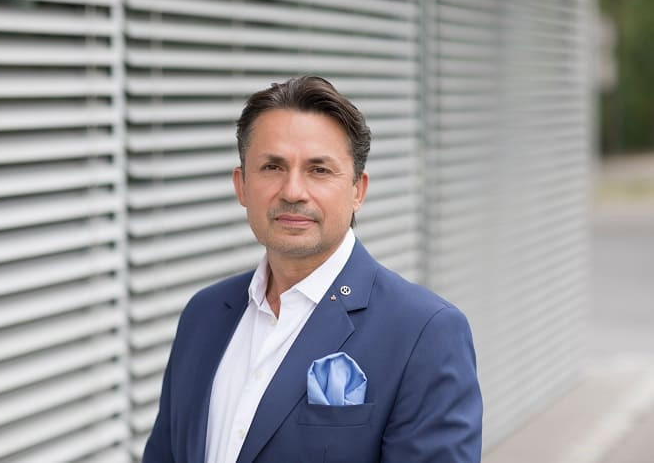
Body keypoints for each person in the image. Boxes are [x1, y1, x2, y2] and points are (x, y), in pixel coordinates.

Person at [143, 75, 482, 463]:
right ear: (242, 185)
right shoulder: (203, 314)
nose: (292, 191)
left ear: (358, 190)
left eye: (319, 170)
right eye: (272, 166)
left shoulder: (424, 333)